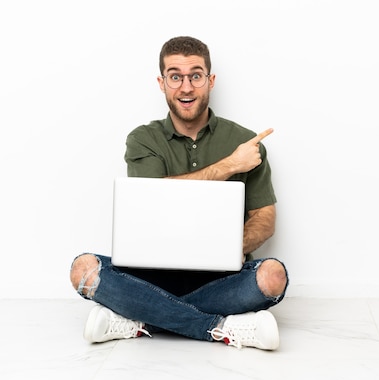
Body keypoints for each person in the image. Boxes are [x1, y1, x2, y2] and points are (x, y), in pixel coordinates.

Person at [69, 36, 288, 350]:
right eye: (175, 76)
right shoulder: (143, 139)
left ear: (210, 81)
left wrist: (231, 247)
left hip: (222, 277)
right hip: (151, 276)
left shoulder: (245, 141)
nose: (186, 87)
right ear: (162, 83)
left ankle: (138, 317)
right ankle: (220, 327)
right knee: (83, 270)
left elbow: (265, 219)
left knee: (273, 276)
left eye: (196, 76)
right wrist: (229, 165)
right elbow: (155, 195)